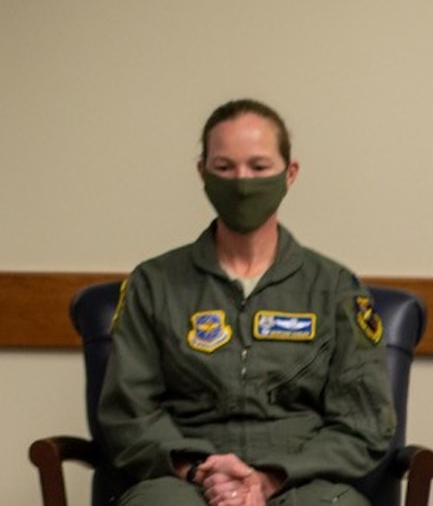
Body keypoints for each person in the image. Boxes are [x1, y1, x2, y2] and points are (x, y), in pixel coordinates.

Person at [97, 100, 395, 506]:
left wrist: (270, 478)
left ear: (290, 174)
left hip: (302, 480)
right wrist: (202, 470)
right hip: (185, 477)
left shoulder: (336, 288)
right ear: (202, 173)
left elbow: (364, 421)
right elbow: (128, 414)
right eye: (224, 167)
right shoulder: (154, 283)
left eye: (258, 167)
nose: (242, 182)